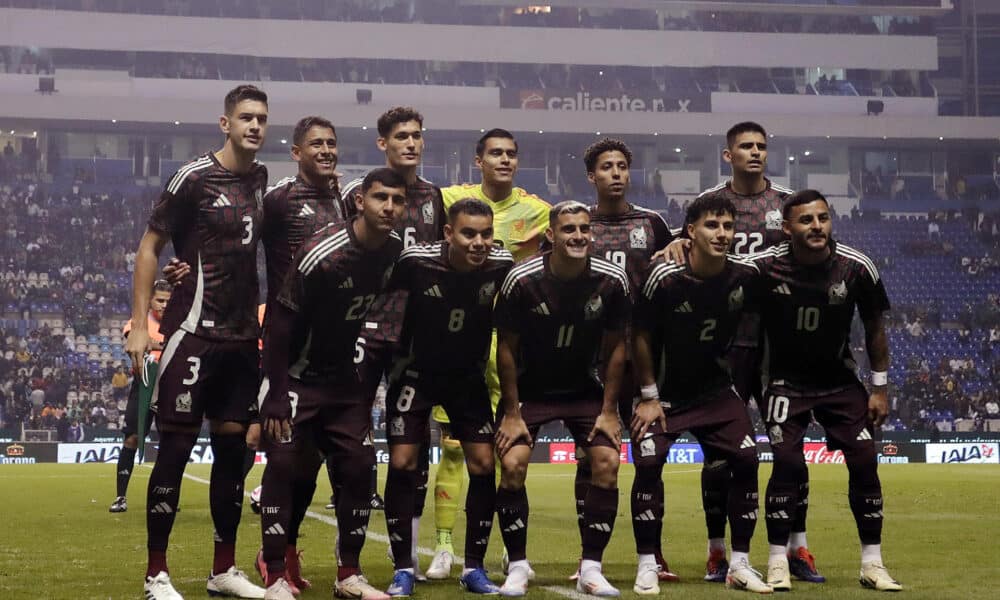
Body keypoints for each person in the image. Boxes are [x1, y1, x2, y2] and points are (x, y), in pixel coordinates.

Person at [128, 84, 270, 600]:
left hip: (241, 342)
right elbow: (149, 248)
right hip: (192, 335)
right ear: (224, 123)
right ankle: (156, 574)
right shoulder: (192, 177)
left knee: (234, 454)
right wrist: (141, 323)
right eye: (246, 118)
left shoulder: (260, 177)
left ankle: (223, 570)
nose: (255, 126)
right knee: (176, 451)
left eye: (261, 119)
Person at [662, 121, 811, 584]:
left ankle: (796, 549)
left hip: (775, 343)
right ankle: (717, 551)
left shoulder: (786, 204)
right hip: (724, 344)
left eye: (761, 146)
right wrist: (673, 242)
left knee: (790, 450)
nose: (755, 152)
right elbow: (681, 244)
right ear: (728, 155)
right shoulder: (713, 204)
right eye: (745, 146)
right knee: (721, 455)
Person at [257, 168, 407, 600]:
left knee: (360, 468)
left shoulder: (393, 249)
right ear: (360, 201)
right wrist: (277, 392)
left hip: (343, 382)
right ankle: (275, 578)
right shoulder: (323, 253)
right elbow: (280, 325)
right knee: (286, 467)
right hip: (297, 379)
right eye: (381, 198)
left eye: (397, 201)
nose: (390, 208)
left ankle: (349, 575)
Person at [749, 190, 901, 592]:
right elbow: (721, 269)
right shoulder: (764, 268)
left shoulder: (856, 267)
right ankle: (778, 560)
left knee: (866, 458)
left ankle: (873, 563)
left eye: (822, 218)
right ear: (787, 228)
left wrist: (880, 389)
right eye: (805, 220)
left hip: (839, 383)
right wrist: (676, 244)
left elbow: (875, 329)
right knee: (787, 463)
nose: (816, 226)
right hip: (784, 383)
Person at [632, 195, 771, 594]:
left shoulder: (746, 275)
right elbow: (639, 336)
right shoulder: (665, 277)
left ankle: (740, 564)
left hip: (714, 391)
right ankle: (648, 564)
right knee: (648, 463)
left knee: (746, 457)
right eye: (712, 225)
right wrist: (648, 395)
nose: (722, 234)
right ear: (690, 232)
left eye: (728, 226)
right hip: (664, 395)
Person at [428, 128, 551, 579]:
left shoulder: (538, 210)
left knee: (510, 454)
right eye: (496, 153)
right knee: (455, 451)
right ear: (477, 159)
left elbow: (568, 242)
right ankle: (443, 546)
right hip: (461, 340)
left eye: (511, 154)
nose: (505, 160)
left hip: (511, 346)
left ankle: (507, 547)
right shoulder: (448, 198)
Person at [494, 201, 629, 597]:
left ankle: (591, 568)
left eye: (584, 229)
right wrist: (512, 413)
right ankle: (517, 566)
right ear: (551, 235)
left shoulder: (611, 280)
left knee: (607, 462)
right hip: (530, 389)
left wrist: (609, 411)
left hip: (583, 389)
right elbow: (505, 348)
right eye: (568, 229)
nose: (578, 236)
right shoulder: (520, 280)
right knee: (514, 464)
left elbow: (616, 348)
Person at [382, 198, 513, 596]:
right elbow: (382, 304)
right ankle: (403, 567)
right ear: (448, 233)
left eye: (486, 234)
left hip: (466, 378)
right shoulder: (415, 262)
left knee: (483, 462)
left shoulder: (501, 265)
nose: (479, 242)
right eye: (468, 233)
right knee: (404, 462)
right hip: (415, 374)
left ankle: (474, 568)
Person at [339, 107, 446, 578]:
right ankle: (345, 560)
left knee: (411, 452)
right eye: (401, 136)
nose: (411, 143)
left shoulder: (434, 197)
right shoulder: (357, 194)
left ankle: (407, 557)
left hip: (414, 338)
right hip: (360, 332)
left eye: (417, 136)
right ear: (383, 143)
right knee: (350, 446)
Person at [565, 138, 676, 588]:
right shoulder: (576, 224)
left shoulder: (651, 224)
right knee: (591, 460)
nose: (615, 173)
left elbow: (678, 267)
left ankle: (654, 554)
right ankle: (587, 555)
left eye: (622, 166)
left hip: (646, 359)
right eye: (606, 167)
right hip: (593, 362)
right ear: (592, 176)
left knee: (651, 461)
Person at [253, 115, 345, 594]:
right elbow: (241, 246)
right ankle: (271, 560)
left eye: (331, 143)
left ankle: (287, 551)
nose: (326, 151)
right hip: (286, 342)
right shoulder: (280, 200)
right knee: (286, 459)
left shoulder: (345, 201)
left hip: (332, 348)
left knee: (310, 464)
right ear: (296, 151)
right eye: (316, 144)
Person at [109, 279, 171, 513]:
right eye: (160, 300)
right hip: (145, 384)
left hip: (169, 386)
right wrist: (164, 344)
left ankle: (166, 495)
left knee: (170, 444)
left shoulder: (178, 322)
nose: (164, 305)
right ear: (150, 301)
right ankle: (120, 497)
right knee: (132, 439)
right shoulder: (139, 322)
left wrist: (155, 344)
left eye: (168, 301)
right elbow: (138, 342)